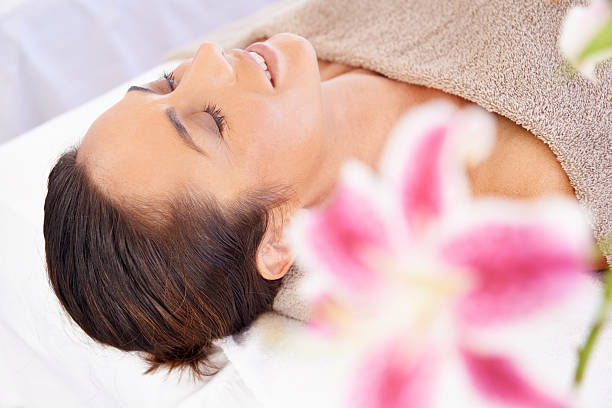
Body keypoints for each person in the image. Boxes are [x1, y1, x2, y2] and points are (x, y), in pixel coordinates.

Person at [42, 32, 605, 376]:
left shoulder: (280, 57)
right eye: (210, 123)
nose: (209, 58)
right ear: (277, 237)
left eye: (164, 84)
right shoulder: (554, 183)